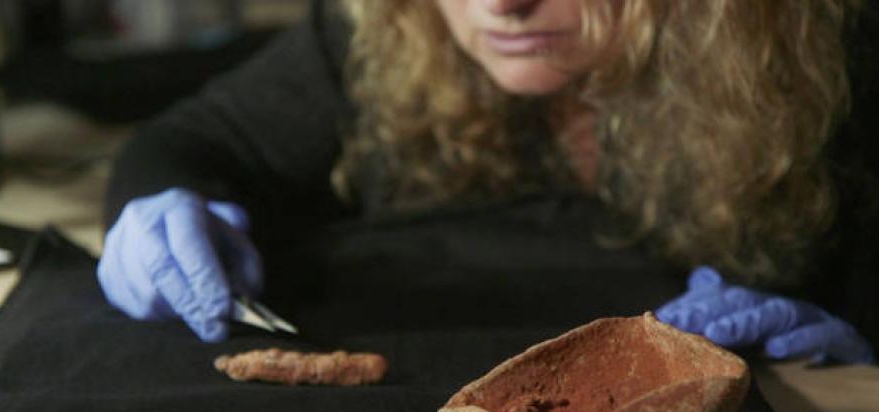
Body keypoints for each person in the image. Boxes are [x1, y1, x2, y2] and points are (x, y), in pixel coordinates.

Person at [97, 0, 877, 363]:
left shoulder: (838, 58)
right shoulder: (383, 24)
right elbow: (189, 144)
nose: (501, 4)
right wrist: (158, 211)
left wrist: (859, 359)